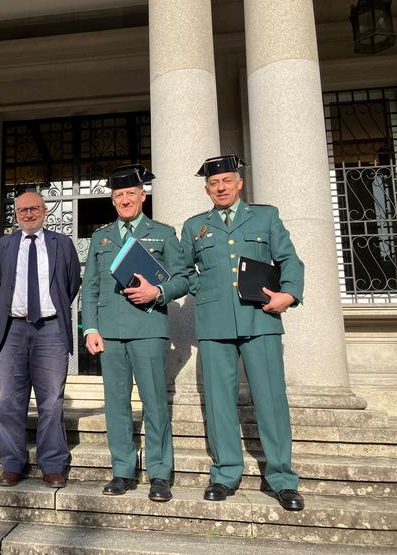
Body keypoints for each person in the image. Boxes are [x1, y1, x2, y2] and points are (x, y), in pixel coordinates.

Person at [180, 155, 305, 511]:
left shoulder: (265, 216)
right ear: (207, 189)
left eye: (226, 181)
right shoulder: (195, 227)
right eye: (213, 184)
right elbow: (183, 268)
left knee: (271, 400)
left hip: (260, 318)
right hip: (215, 321)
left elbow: (289, 260)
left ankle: (282, 478)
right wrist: (201, 288)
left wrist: (289, 294)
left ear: (239, 184)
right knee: (219, 402)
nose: (220, 188)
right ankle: (224, 474)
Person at [82, 164, 188, 502]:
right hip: (110, 332)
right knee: (116, 404)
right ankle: (123, 470)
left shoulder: (164, 233)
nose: (125, 200)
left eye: (131, 194)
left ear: (143, 197)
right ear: (113, 202)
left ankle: (159, 473)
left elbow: (183, 278)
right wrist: (90, 328)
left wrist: (156, 292)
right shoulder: (101, 237)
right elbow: (91, 288)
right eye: (119, 196)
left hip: (148, 329)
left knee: (155, 402)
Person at [0, 191, 81, 488]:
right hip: (13, 329)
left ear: (45, 210)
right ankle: (12, 463)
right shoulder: (5, 244)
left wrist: (47, 306)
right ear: (15, 214)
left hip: (51, 330)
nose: (28, 214)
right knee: (9, 401)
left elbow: (71, 283)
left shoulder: (62, 244)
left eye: (33, 209)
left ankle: (52, 464)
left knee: (51, 401)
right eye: (22, 210)